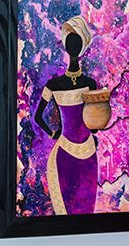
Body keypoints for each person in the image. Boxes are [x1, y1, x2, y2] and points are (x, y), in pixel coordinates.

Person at [35, 15, 99, 215]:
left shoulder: (55, 85)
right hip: (71, 153)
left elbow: (38, 117)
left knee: (85, 212)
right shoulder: (88, 84)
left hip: (84, 153)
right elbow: (94, 126)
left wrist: (53, 133)